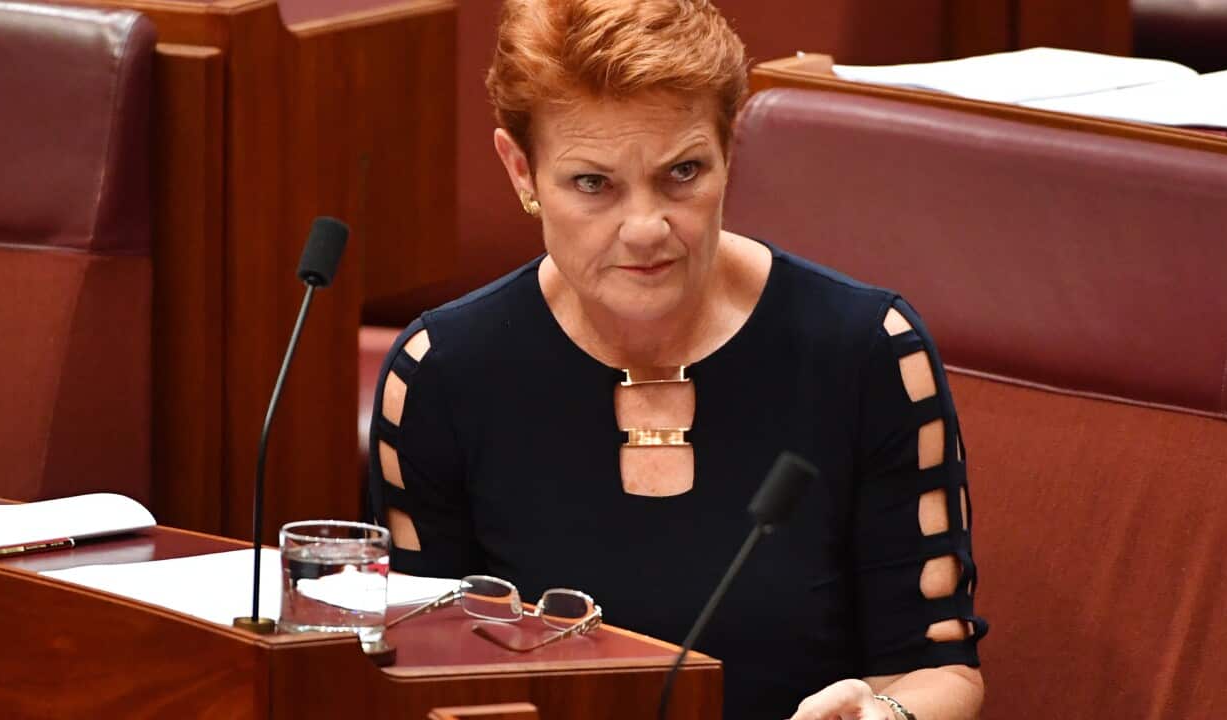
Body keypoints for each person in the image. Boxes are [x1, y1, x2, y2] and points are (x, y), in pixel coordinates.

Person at [368, 1, 986, 718]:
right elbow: (415, 679)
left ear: (729, 151)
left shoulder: (868, 351)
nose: (645, 228)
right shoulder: (442, 373)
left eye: (683, 172)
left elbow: (941, 672)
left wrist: (889, 715)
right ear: (521, 171)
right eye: (593, 183)